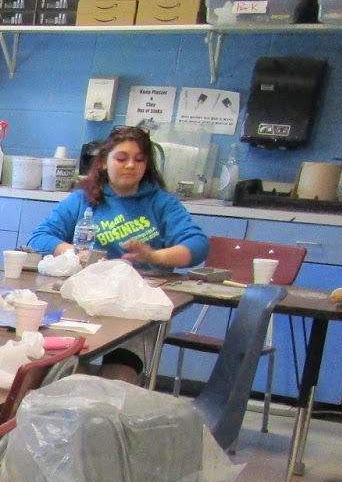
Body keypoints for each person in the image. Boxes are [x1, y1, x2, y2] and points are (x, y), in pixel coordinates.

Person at [28, 125, 210, 383]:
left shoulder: (162, 203)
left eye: (139, 159)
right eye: (121, 159)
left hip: (136, 307)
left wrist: (155, 257)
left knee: (117, 379)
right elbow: (39, 237)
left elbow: (198, 246)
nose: (130, 166)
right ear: (103, 162)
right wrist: (75, 252)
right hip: (87, 305)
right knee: (64, 373)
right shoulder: (84, 199)